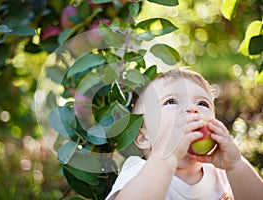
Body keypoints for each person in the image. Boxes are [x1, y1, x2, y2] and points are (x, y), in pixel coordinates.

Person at [105, 68, 263, 200]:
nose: (192, 108)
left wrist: (235, 165)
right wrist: (167, 156)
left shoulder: (220, 172)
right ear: (143, 137)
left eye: (202, 103)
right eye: (171, 101)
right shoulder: (138, 172)